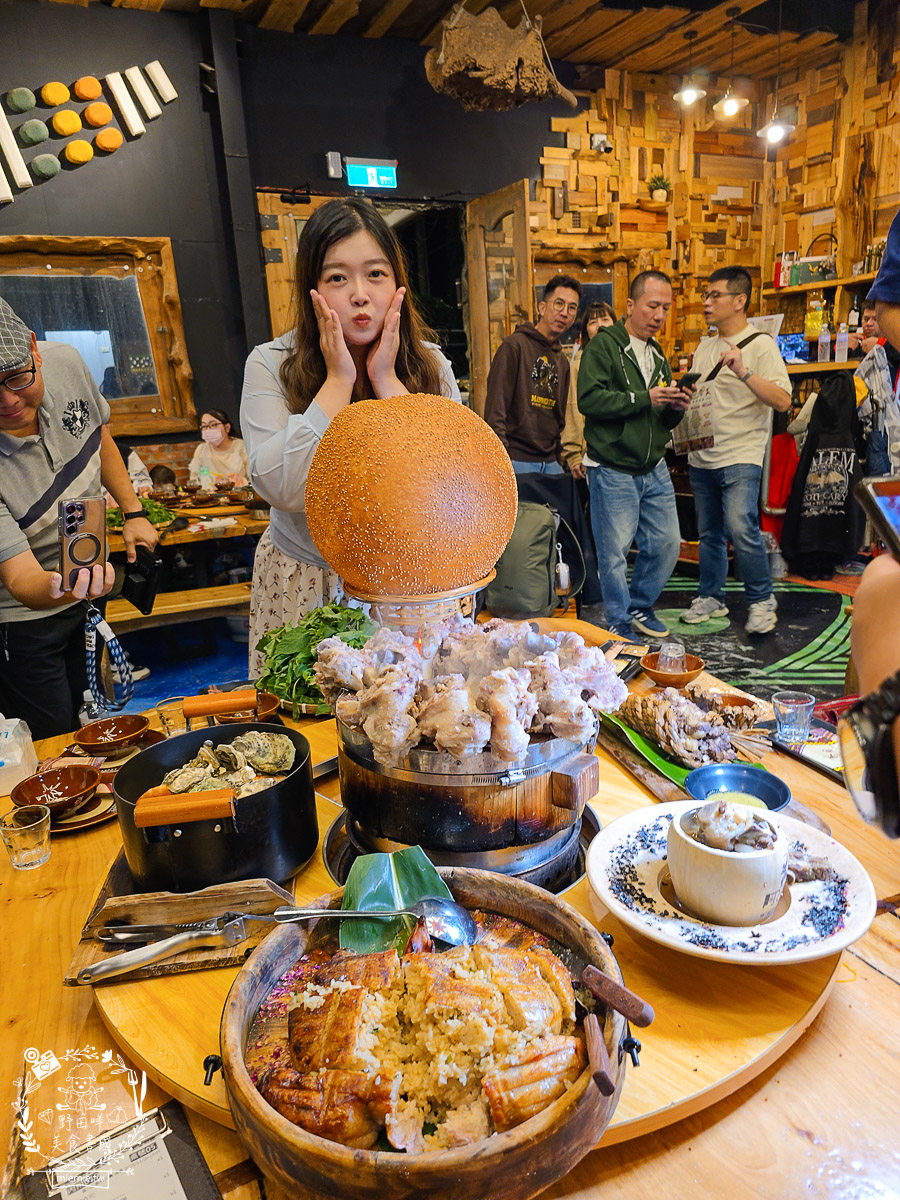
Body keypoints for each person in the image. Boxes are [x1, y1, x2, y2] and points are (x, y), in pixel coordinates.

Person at [240, 198, 460, 676]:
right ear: (312, 290)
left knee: (412, 730)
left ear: (397, 282)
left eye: (375, 274)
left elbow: (449, 494)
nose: (360, 294)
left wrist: (388, 383)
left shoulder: (430, 365)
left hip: (409, 587)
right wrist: (338, 381)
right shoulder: (269, 364)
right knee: (314, 727)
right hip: (307, 580)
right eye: (337, 277)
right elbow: (278, 487)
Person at [0, 298, 158, 738]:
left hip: (86, 578)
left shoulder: (66, 362)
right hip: (24, 618)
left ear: (34, 348)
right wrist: (62, 585)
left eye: (17, 377)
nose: (9, 400)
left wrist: (134, 511)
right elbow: (19, 579)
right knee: (51, 732)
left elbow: (99, 436)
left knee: (93, 712)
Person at [679, 266, 792, 635]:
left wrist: (744, 372)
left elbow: (783, 400)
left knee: (741, 526)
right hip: (702, 454)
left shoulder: (761, 345)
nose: (707, 303)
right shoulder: (705, 347)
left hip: (741, 455)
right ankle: (711, 596)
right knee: (709, 532)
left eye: (715, 296)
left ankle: (761, 602)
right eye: (705, 296)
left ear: (739, 300)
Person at [576, 270, 690, 638]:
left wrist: (676, 405)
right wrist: (645, 398)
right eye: (652, 305)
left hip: (653, 465)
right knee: (614, 554)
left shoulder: (657, 353)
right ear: (630, 305)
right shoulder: (605, 346)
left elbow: (660, 420)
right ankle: (619, 620)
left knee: (667, 543)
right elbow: (589, 400)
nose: (659, 315)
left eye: (666, 308)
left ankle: (640, 606)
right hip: (611, 467)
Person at [483, 274, 582, 474]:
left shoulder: (562, 361)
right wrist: (501, 460)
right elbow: (496, 409)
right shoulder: (514, 346)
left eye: (572, 308)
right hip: (516, 461)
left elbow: (560, 417)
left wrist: (557, 457)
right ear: (542, 307)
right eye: (559, 304)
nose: (564, 313)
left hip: (551, 463)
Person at [561, 301, 616, 479]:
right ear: (585, 332)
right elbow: (573, 409)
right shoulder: (579, 365)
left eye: (605, 319)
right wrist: (573, 454)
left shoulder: (624, 359)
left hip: (624, 454)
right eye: (592, 322)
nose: (600, 326)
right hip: (592, 457)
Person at [188, 408, 250, 490]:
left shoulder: (241, 447)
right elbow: (193, 481)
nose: (208, 430)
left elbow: (253, 480)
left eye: (213, 425)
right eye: (204, 426)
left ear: (227, 427)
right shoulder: (201, 450)